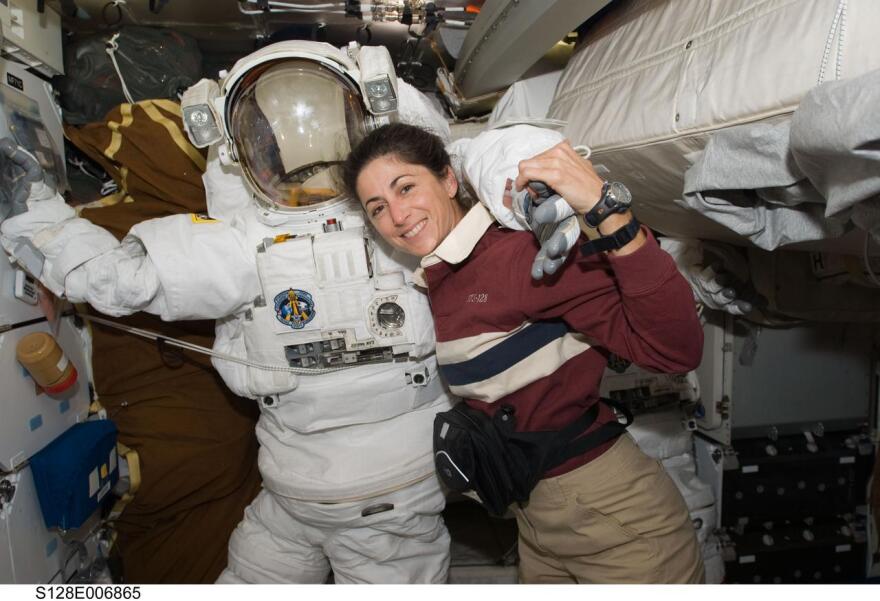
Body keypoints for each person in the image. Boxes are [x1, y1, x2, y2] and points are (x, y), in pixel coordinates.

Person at [0, 41, 471, 584]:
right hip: (305, 495)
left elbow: (115, 278)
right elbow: (120, 280)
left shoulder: (391, 225)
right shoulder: (402, 226)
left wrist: (33, 213)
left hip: (348, 499)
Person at [343, 122, 706, 584]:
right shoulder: (445, 277)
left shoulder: (518, 255)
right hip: (536, 525)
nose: (397, 215)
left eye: (406, 187)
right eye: (377, 207)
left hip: (616, 521)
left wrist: (610, 215)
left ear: (449, 180)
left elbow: (674, 350)